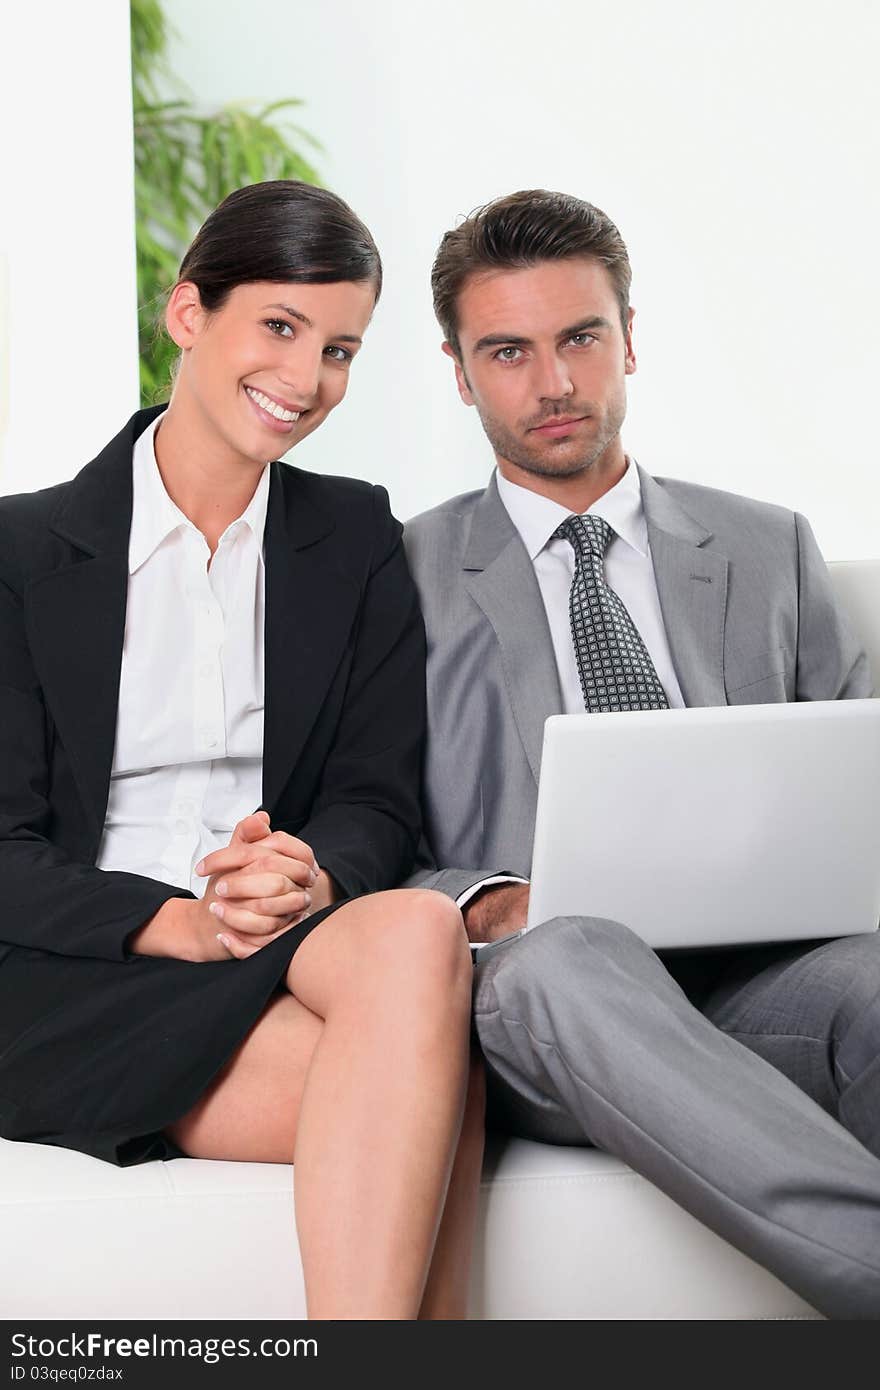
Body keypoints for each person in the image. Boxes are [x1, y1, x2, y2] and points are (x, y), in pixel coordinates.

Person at [0, 180, 485, 1321]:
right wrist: (177, 921)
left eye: (341, 349)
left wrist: (308, 872)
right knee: (437, 1086)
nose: (307, 379)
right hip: (68, 971)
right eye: (278, 326)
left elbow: (375, 796)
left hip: (275, 932)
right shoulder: (20, 551)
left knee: (418, 923)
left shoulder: (353, 533)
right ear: (186, 315)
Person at [402, 188, 880, 1319]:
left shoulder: (767, 545)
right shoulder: (394, 580)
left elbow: (855, 771)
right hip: (543, 1000)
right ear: (461, 374)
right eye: (507, 352)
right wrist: (484, 899)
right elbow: (353, 832)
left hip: (761, 981)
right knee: (566, 957)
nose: (553, 383)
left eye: (580, 338)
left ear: (629, 339)